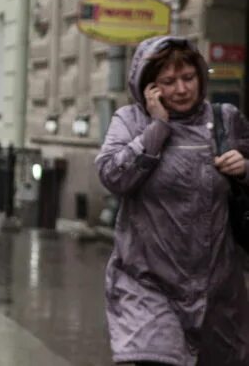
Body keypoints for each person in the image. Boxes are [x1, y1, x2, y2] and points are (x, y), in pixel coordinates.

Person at [96, 36, 249, 366]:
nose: (181, 89)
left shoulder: (225, 121)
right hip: (148, 285)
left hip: (217, 290)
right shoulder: (131, 120)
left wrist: (245, 169)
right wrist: (157, 129)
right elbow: (112, 176)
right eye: (168, 81)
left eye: (189, 78)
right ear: (149, 86)